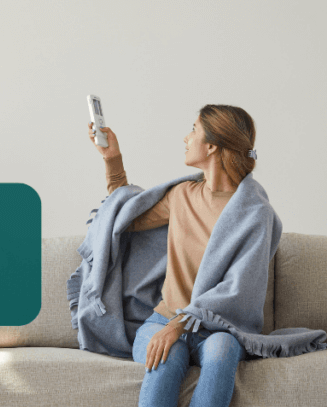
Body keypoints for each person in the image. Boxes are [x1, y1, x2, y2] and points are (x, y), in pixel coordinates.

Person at [87, 104, 259, 407]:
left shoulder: (254, 213)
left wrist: (177, 327)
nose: (185, 138)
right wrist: (112, 159)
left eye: (193, 130)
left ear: (211, 146)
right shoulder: (182, 196)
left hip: (218, 328)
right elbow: (126, 215)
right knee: (167, 355)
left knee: (222, 351)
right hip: (161, 320)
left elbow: (238, 290)